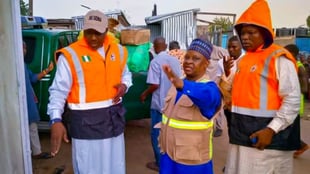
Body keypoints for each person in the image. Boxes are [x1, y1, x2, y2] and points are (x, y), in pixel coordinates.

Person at [47, 10, 132, 174]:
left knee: (115, 166)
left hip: (114, 121)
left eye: (98, 33)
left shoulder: (119, 51)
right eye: (89, 32)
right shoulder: (71, 55)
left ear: (106, 31)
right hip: (86, 125)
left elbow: (125, 74)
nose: (93, 37)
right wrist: (55, 119)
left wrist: (124, 86)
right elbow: (58, 90)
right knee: (89, 168)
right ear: (83, 30)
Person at [222, 0, 301, 173]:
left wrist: (271, 130)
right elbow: (227, 89)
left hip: (269, 141)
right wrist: (226, 77)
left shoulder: (279, 58)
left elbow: (292, 100)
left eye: (251, 32)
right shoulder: (243, 60)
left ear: (265, 34)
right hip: (242, 136)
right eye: (242, 33)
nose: (245, 37)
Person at [159, 38, 222, 174]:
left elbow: (208, 97)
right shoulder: (177, 84)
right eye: (187, 57)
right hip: (168, 156)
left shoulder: (209, 88)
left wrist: (183, 85)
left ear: (206, 64)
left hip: (192, 162)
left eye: (196, 58)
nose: (188, 61)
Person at [140, 37, 182, 172]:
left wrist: (145, 93)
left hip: (159, 104)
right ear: (165, 46)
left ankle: (159, 163)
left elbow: (155, 84)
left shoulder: (155, 62)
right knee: (171, 133)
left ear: (156, 48)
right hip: (173, 103)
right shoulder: (175, 61)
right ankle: (172, 160)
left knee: (156, 134)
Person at [23, 41, 54, 159]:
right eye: (21, 48)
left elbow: (32, 78)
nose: (24, 51)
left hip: (28, 101)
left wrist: (47, 70)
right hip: (21, 102)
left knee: (32, 127)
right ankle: (33, 153)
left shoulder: (23, 65)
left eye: (25, 48)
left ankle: (36, 152)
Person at [284, 44, 309, 158]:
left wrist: (292, 90)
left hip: (296, 102)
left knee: (291, 128)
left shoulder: (299, 67)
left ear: (293, 54)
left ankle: (301, 145)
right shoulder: (289, 65)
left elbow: (304, 88)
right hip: (288, 100)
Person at [216, 35, 243, 130]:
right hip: (229, 105)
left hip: (243, 103)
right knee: (231, 129)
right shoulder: (221, 62)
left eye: (234, 47)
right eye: (229, 47)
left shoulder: (246, 61)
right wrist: (226, 71)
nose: (231, 50)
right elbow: (221, 84)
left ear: (241, 47)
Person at [207, 44, 229, 137]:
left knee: (218, 107)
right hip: (206, 84)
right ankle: (210, 126)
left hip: (216, 83)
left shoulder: (218, 51)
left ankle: (219, 127)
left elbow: (227, 55)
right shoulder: (203, 53)